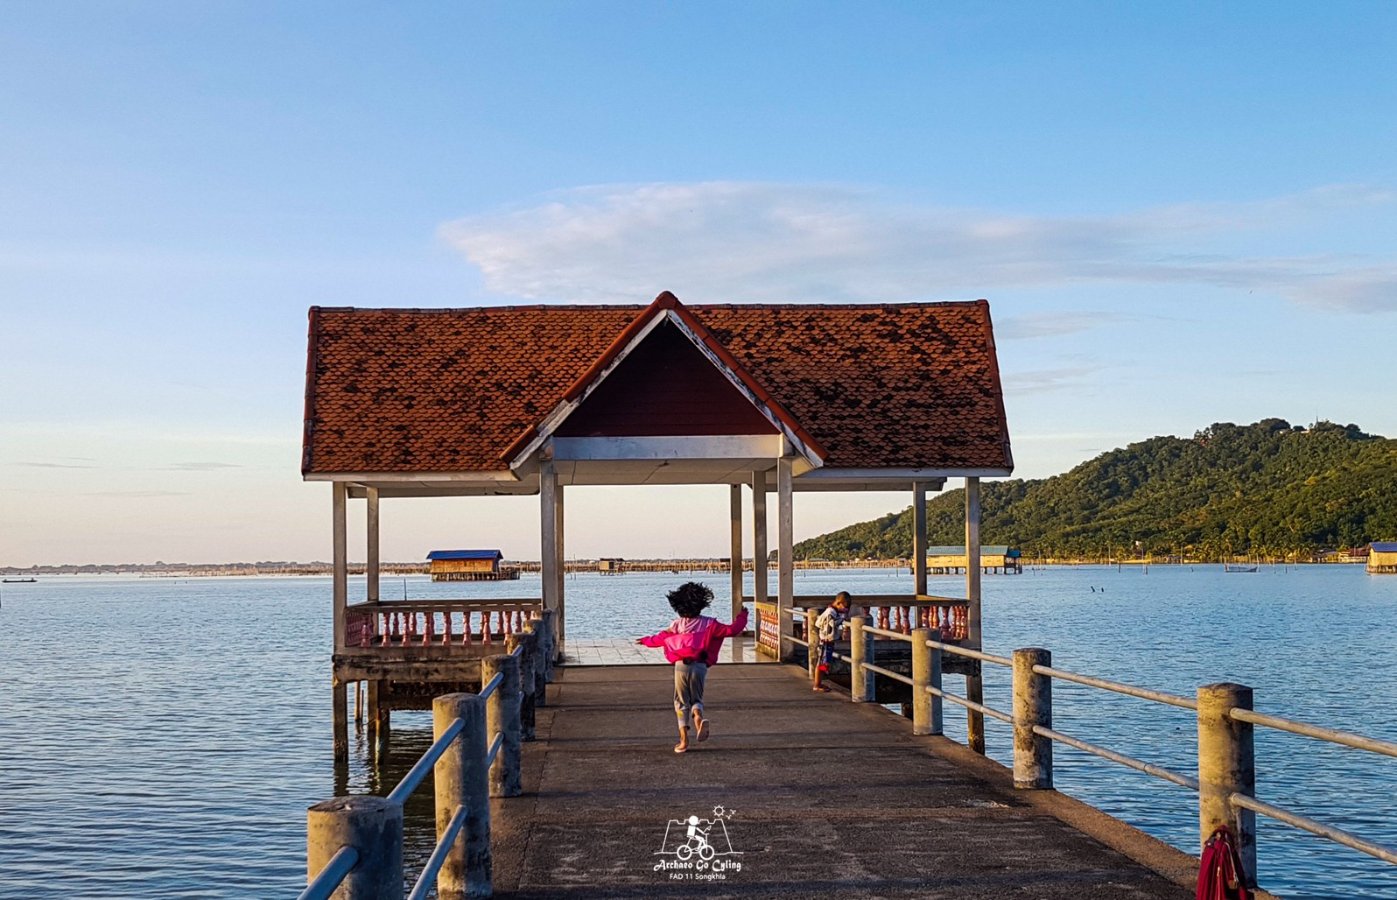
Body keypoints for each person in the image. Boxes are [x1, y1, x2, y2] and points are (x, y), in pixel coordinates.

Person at [637, 582, 749, 753]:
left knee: (681, 702)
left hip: (681, 665)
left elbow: (659, 639)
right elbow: (732, 630)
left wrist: (645, 640)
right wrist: (743, 615)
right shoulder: (710, 624)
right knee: (697, 699)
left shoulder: (676, 625)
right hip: (700, 666)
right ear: (701, 603)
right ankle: (698, 716)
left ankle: (683, 741)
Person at [811, 591, 852, 693]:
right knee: (822, 663)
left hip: (827, 641)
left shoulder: (832, 611)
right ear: (838, 603)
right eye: (845, 607)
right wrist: (842, 619)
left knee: (824, 662)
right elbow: (831, 624)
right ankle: (817, 684)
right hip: (825, 641)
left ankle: (819, 682)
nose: (845, 609)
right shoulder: (830, 613)